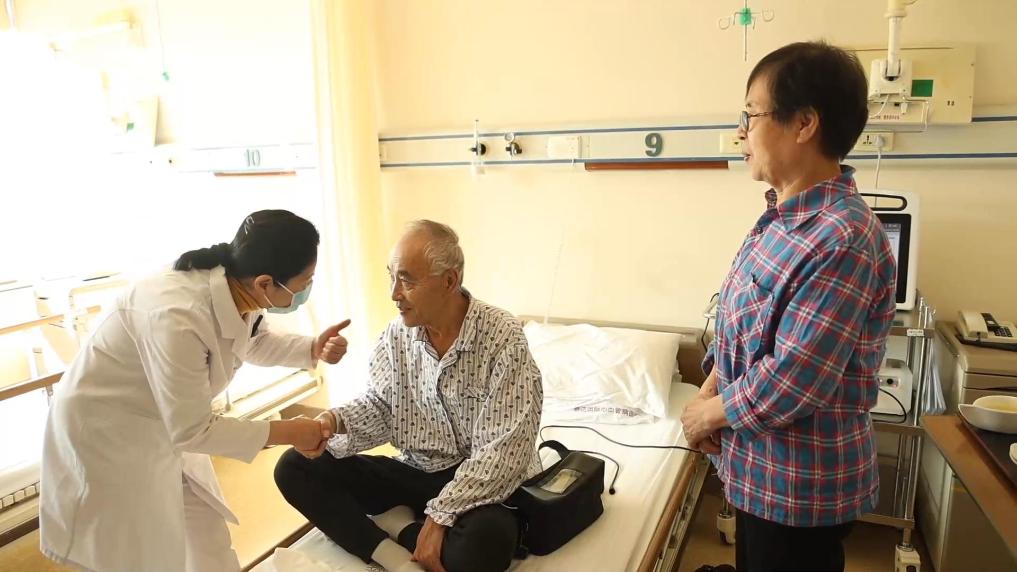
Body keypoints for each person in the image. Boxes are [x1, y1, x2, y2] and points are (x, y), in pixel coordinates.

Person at [680, 42, 897, 572]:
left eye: (750, 115)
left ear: (804, 123)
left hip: (800, 489)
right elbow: (739, 327)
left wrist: (708, 414)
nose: (740, 133)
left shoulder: (843, 236)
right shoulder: (779, 222)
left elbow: (797, 377)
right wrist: (711, 391)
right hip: (759, 473)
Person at [40, 210, 350, 572]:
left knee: (207, 536)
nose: (306, 290)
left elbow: (250, 340)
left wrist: (312, 348)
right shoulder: (176, 314)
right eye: (304, 282)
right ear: (266, 283)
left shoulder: (236, 290)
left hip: (167, 426)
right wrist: (290, 432)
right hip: (109, 439)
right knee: (141, 556)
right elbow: (193, 429)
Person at [274, 220, 542, 572]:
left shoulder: (502, 337)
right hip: (419, 471)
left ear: (449, 281)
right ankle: (389, 552)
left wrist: (440, 516)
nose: (394, 293)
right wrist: (331, 422)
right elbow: (382, 406)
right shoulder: (396, 336)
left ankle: (399, 525)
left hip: (483, 484)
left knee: (482, 547)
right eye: (392, 278)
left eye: (407, 280)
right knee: (293, 467)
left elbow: (504, 452)